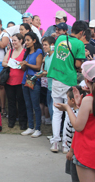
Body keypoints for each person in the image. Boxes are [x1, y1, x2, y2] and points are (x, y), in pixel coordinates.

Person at [47, 20, 87, 152]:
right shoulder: (79, 44)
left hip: (56, 78)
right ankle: (66, 145)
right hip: (69, 80)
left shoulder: (61, 38)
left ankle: (55, 143)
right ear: (81, 32)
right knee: (69, 111)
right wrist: (84, 57)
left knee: (57, 113)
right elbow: (77, 65)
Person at [54, 61, 95, 182]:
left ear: (86, 81)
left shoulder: (89, 101)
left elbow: (78, 126)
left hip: (87, 151)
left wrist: (68, 108)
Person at [20, 32, 44, 138]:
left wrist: (27, 64)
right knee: (28, 104)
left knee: (35, 105)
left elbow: (38, 67)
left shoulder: (39, 51)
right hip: (25, 81)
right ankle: (30, 127)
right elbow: (24, 68)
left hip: (34, 81)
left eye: (28, 40)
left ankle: (38, 128)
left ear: (34, 41)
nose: (26, 42)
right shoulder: (27, 52)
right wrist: (22, 65)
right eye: (25, 40)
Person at [2, 33, 27, 129]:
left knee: (21, 102)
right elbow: (4, 63)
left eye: (15, 40)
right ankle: (11, 121)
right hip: (10, 81)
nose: (13, 42)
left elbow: (25, 65)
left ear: (21, 41)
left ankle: (23, 122)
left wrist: (20, 64)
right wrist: (11, 64)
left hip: (20, 81)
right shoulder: (10, 51)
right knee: (11, 102)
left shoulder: (25, 52)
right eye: (12, 40)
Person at [64, 87, 82, 182]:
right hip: (72, 149)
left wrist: (71, 150)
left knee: (76, 177)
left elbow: (76, 133)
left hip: (75, 152)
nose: (66, 101)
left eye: (67, 98)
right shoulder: (73, 112)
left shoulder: (77, 114)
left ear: (72, 100)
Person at [38, 36, 56, 122]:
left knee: (54, 111)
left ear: (52, 45)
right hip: (49, 86)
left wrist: (44, 73)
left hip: (56, 87)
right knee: (50, 108)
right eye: (43, 45)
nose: (44, 47)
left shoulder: (56, 57)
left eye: (46, 45)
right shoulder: (47, 57)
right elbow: (46, 71)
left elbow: (55, 72)